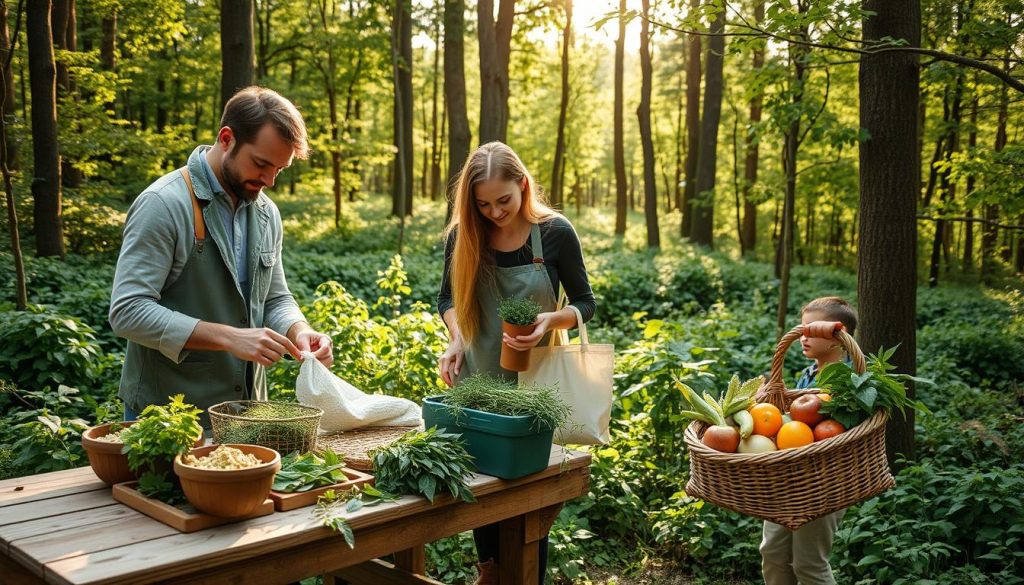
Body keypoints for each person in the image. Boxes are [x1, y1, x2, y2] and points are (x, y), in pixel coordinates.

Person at [109, 86, 333, 425]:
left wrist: (299, 330)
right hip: (165, 418)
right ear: (226, 138)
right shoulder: (164, 204)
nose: (269, 180)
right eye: (261, 164)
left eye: (279, 169)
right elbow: (128, 311)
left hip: (245, 415)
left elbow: (275, 297)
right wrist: (231, 338)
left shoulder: (266, 213)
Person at [436, 141, 596, 584]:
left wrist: (551, 319)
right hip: (479, 381)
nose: (494, 212)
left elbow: (586, 302)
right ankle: (489, 572)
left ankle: (528, 577)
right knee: (482, 490)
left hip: (536, 389)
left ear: (523, 185)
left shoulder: (556, 232)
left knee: (529, 497)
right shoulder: (465, 235)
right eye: (483, 204)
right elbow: (447, 298)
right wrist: (457, 339)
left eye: (503, 200)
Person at [759, 296, 857, 585]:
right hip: (791, 476)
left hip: (825, 481)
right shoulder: (808, 374)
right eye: (802, 328)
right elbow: (794, 427)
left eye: (813, 329)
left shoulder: (849, 382)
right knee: (773, 552)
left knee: (809, 564)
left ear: (839, 336)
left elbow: (833, 432)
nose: (804, 336)